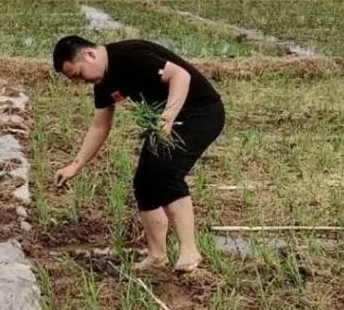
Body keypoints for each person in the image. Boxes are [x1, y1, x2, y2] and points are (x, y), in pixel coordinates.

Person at [52, 36, 225, 272]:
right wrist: (76, 165)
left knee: (166, 175)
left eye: (80, 75)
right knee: (144, 182)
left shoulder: (130, 55)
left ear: (89, 55)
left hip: (200, 113)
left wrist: (167, 118)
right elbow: (100, 125)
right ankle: (157, 255)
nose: (83, 81)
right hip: (168, 121)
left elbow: (180, 76)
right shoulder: (104, 81)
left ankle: (189, 250)